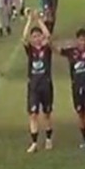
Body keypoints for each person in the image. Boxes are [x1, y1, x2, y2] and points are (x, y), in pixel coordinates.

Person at [22, 9, 54, 153]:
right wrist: (30, 20)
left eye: (38, 36)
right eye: (34, 36)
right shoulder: (30, 50)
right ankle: (34, 142)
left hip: (46, 85)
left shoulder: (47, 49)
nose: (36, 38)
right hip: (33, 86)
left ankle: (48, 139)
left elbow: (48, 36)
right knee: (33, 114)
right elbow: (24, 38)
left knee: (46, 114)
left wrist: (39, 20)